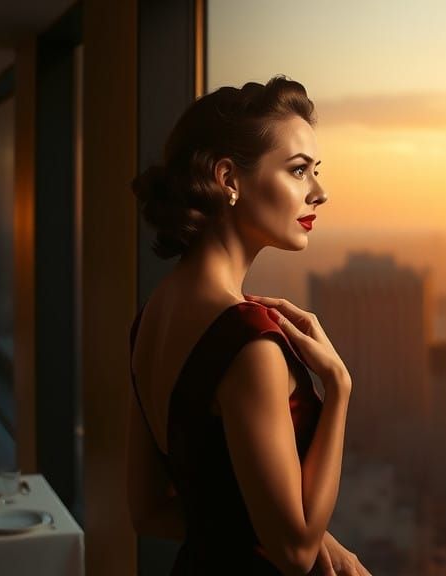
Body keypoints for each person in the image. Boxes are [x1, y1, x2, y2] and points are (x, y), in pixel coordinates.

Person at [128, 76, 370, 576]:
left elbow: (147, 511)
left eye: (315, 172)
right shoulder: (248, 342)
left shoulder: (153, 314)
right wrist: (339, 388)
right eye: (299, 171)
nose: (319, 193)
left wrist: (286, 526)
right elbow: (296, 554)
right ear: (229, 180)